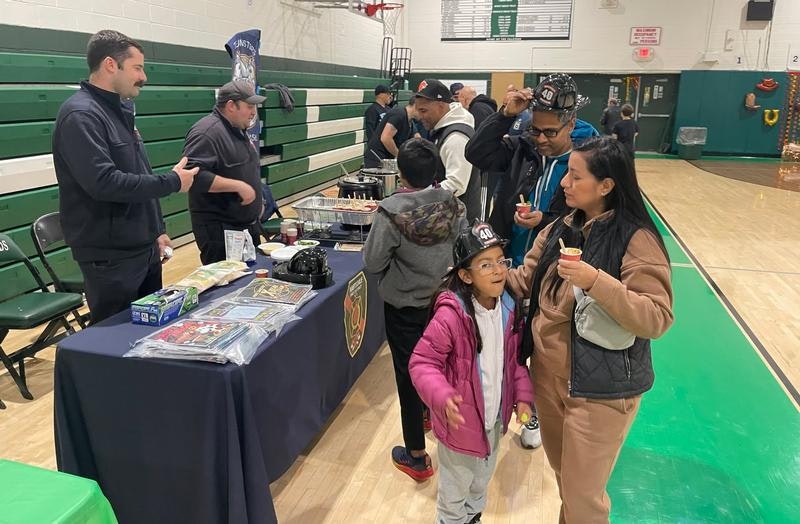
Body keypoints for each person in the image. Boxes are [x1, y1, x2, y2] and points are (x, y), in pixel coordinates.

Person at [507, 136, 674, 523]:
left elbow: (657, 316)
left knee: (584, 500)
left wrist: (595, 281)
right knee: (567, 482)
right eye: (566, 173)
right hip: (548, 379)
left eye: (575, 176)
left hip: (600, 391)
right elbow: (523, 279)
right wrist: (473, 276)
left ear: (606, 185)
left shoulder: (636, 238)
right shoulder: (557, 230)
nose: (564, 183)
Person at [466, 73, 591, 448]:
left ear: (570, 124)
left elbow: (590, 214)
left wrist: (547, 223)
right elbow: (477, 154)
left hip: (554, 270)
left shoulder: (589, 158)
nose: (541, 138)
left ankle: (534, 410)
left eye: (550, 132)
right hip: (508, 257)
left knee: (544, 342)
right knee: (506, 336)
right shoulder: (524, 146)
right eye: (536, 129)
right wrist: (504, 115)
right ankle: (504, 402)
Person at [52, 29, 198, 324]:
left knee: (148, 331)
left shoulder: (120, 110)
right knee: (115, 342)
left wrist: (155, 229)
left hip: (141, 247)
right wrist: (172, 181)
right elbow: (104, 183)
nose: (143, 76)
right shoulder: (80, 116)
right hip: (111, 257)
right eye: (137, 67)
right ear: (110, 65)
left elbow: (138, 171)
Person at [409, 221, 534, 524]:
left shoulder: (508, 307)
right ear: (465, 276)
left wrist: (523, 397)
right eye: (485, 264)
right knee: (455, 489)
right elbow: (422, 363)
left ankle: (472, 516)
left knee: (481, 481)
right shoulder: (452, 315)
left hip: (493, 420)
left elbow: (515, 362)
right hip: (459, 425)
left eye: (501, 261)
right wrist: (441, 394)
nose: (498, 270)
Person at [363, 138, 467, 482]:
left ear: (401, 173)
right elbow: (462, 244)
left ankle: (417, 455)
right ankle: (430, 413)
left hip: (405, 305)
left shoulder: (392, 210)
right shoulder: (452, 203)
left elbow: (373, 261)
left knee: (409, 374)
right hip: (443, 301)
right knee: (439, 363)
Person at [182, 80, 266, 265]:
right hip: (220, 232)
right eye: (249, 106)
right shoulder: (206, 132)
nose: (253, 112)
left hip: (245, 227)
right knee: (225, 290)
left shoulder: (237, 128)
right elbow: (192, 177)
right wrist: (238, 186)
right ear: (230, 106)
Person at [414, 79, 481, 221]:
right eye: (418, 111)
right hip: (447, 217)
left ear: (441, 105)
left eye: (423, 111)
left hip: (458, 223)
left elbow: (456, 184)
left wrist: (418, 198)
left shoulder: (456, 137)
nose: (419, 117)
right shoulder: (443, 129)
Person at [363, 98, 416, 168]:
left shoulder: (410, 122)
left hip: (387, 159)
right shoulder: (399, 115)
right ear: (416, 106)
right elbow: (385, 138)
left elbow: (417, 137)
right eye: (423, 110)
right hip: (377, 159)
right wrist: (400, 156)